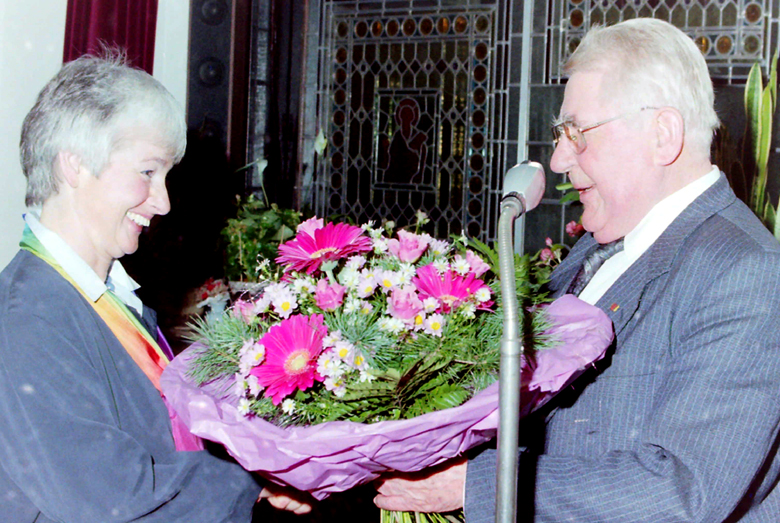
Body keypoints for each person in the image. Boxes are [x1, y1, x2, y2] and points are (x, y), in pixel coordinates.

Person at [374, 18, 780, 522]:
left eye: (576, 133)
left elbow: (682, 491)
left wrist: (474, 484)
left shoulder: (747, 273)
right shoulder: (596, 249)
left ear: (663, 135)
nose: (560, 159)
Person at [0, 54, 311, 522]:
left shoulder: (108, 297)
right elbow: (108, 496)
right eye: (147, 173)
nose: (163, 202)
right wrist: (250, 480)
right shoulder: (28, 317)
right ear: (74, 165)